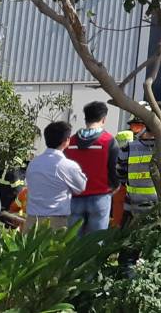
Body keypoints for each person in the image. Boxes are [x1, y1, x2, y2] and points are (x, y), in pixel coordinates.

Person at [64, 100, 119, 233]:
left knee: (72, 243)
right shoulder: (108, 141)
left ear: (85, 118)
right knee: (95, 243)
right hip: (100, 197)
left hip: (74, 198)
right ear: (103, 119)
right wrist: (115, 186)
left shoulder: (70, 142)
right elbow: (113, 169)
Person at [24, 121, 87, 228]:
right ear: (67, 140)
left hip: (31, 220)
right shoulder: (68, 165)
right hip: (55, 221)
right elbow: (81, 187)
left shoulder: (33, 163)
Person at [117, 110, 158, 223]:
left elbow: (120, 173)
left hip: (132, 203)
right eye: (133, 128)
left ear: (147, 126)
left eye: (136, 127)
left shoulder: (128, 147)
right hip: (156, 203)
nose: (134, 132)